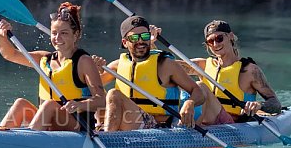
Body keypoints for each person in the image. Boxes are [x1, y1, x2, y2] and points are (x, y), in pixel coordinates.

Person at [92, 15, 221, 131]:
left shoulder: (165, 64)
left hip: (159, 126)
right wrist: (93, 70)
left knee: (114, 94)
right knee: (108, 94)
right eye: (135, 37)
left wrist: (190, 103)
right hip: (130, 120)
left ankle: (108, 139)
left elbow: (198, 91)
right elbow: (91, 88)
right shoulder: (117, 65)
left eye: (145, 36)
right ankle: (104, 131)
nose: (141, 41)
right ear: (125, 42)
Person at [0, 2, 106, 131]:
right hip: (49, 121)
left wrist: (79, 105)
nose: (57, 38)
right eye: (54, 33)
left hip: (76, 124)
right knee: (20, 104)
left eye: (64, 33)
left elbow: (101, 100)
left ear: (75, 35)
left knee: (50, 105)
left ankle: (30, 141)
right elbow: (10, 54)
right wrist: (1, 34)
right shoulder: (44, 59)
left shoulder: (84, 61)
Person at [180, 20, 282, 124]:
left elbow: (276, 104)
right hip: (206, 120)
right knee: (182, 84)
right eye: (210, 42)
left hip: (231, 123)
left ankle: (187, 130)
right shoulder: (203, 65)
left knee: (200, 86)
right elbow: (170, 66)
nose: (215, 44)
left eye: (219, 38)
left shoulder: (249, 70)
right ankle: (184, 124)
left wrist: (259, 105)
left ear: (231, 36)